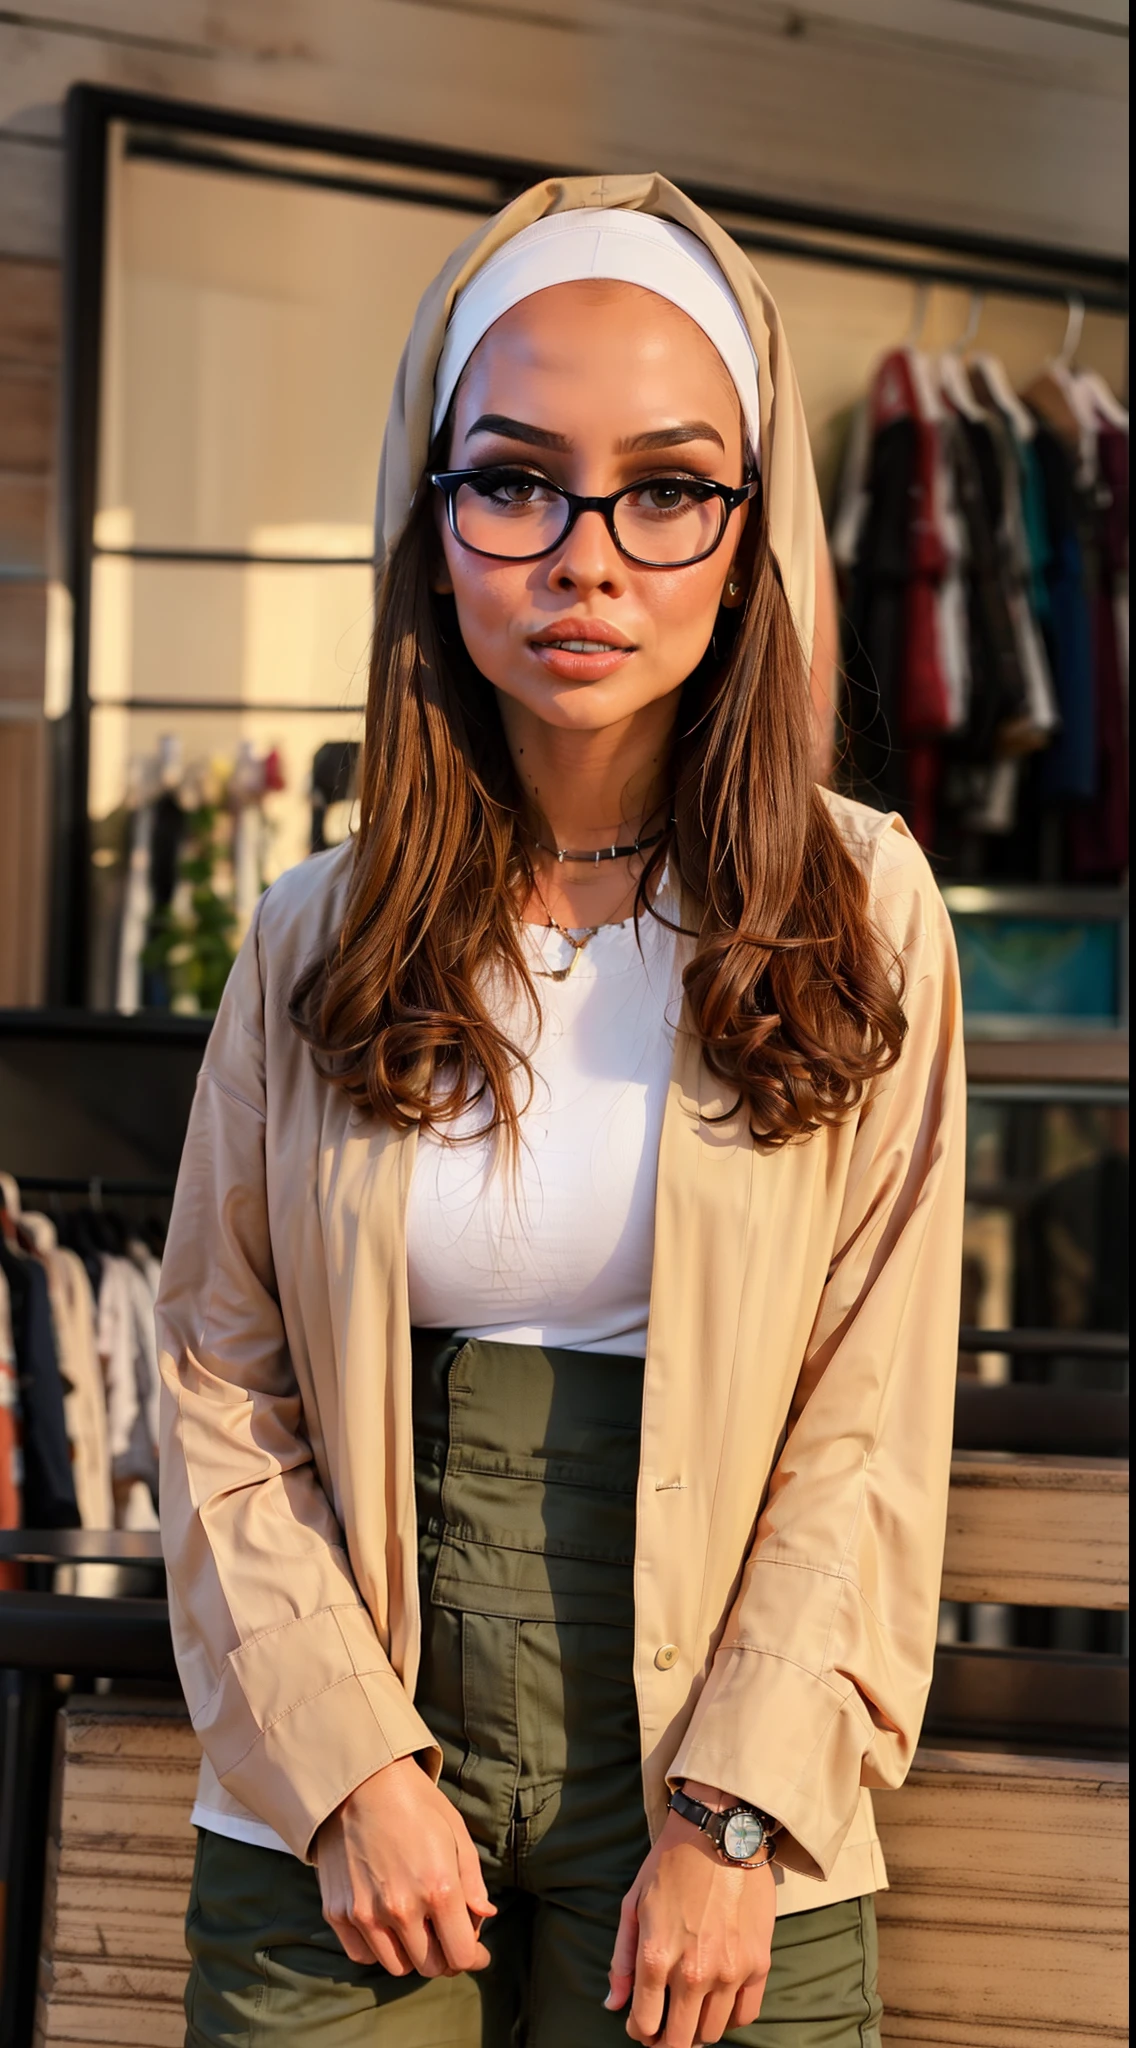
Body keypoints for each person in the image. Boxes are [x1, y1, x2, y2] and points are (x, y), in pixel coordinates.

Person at [158, 174, 966, 2048]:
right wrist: (347, 1766)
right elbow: (217, 1376)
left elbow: (866, 1403)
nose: (586, 555)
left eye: (667, 489)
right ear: (433, 530)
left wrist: (735, 1808)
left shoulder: (865, 908)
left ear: (750, 537)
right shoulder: (315, 933)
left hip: (720, 1760)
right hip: (346, 1744)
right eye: (515, 479)